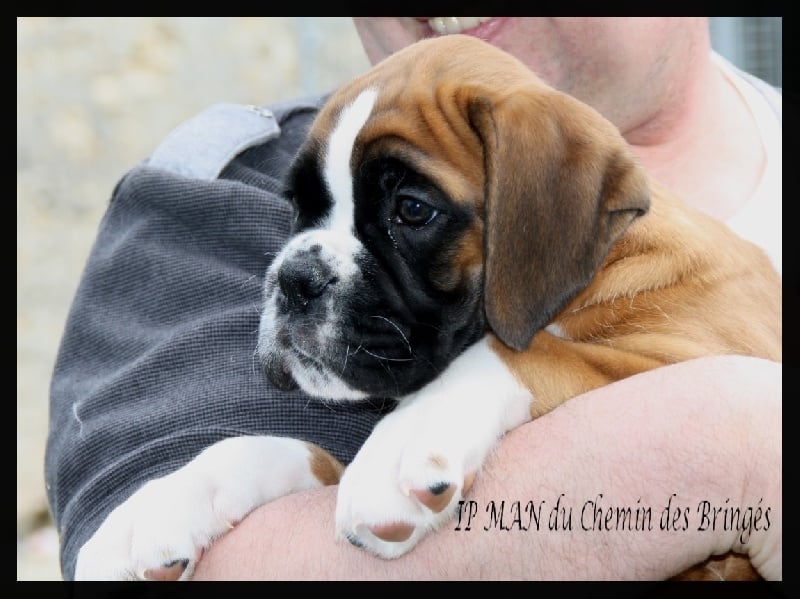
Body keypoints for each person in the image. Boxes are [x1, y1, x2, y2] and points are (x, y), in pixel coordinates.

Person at [45, 17, 782, 581]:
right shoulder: (223, 188)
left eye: (412, 212)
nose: (303, 267)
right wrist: (728, 447)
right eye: (305, 213)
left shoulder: (690, 270)